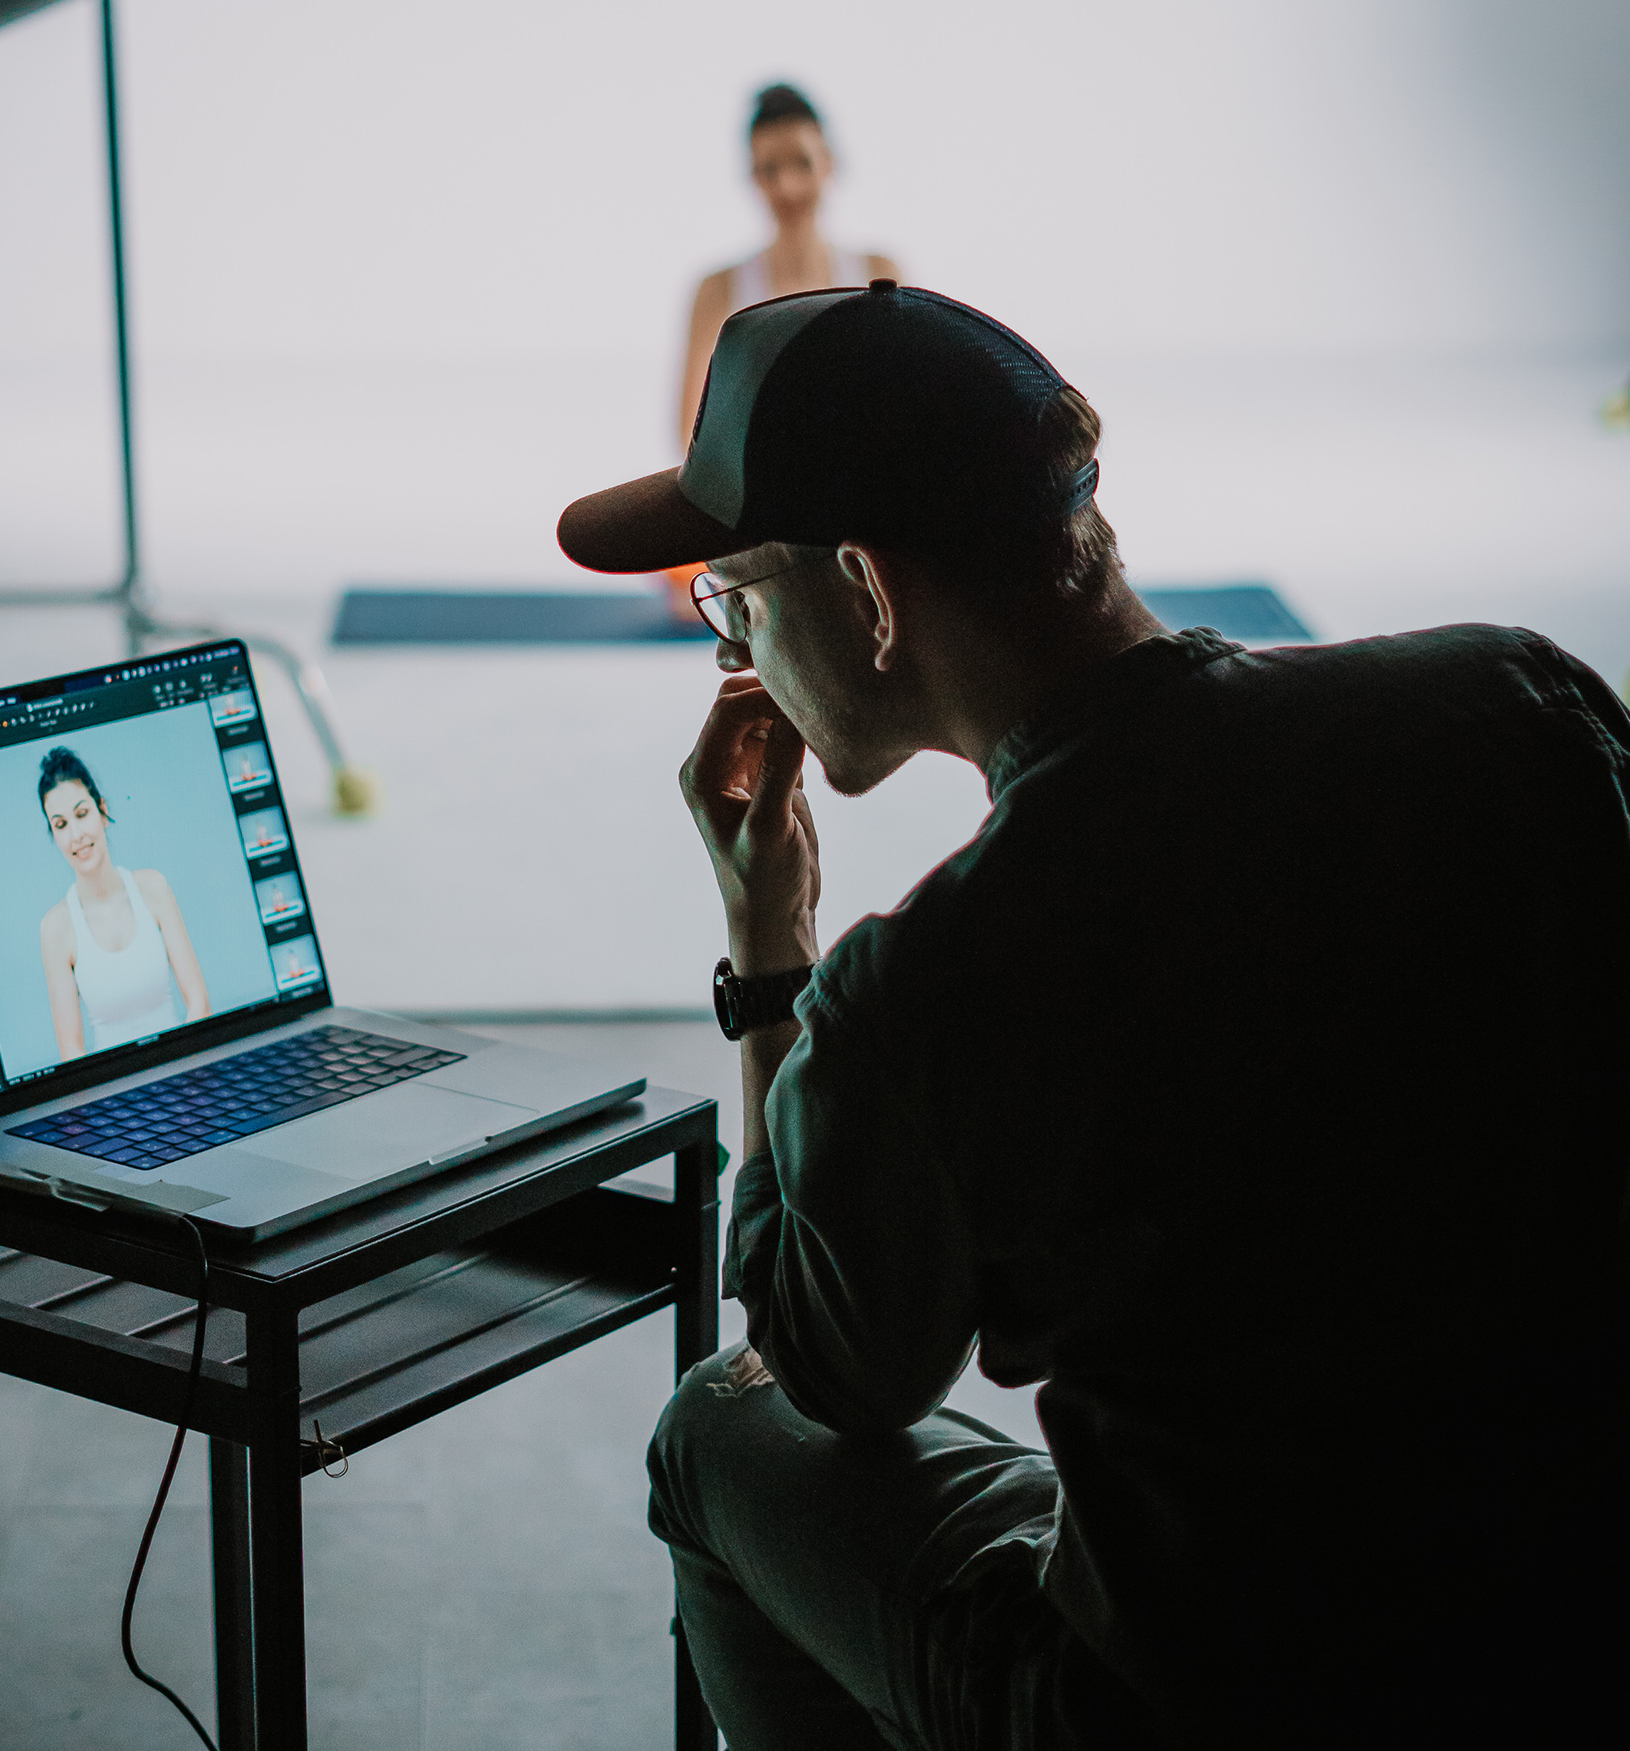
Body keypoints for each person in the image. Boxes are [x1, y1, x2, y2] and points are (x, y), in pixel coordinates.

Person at [556, 280, 1630, 1748]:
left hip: (1193, 1697)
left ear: (866, 593)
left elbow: (832, 1372)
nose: (734, 653)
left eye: (731, 599)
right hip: (1566, 1631)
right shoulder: (1513, 705)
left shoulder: (928, 985)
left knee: (721, 1431)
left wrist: (771, 948)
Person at [660, 85, 901, 613]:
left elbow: (907, 412)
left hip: (863, 521)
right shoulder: (719, 289)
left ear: (830, 164)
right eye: (769, 170)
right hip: (762, 528)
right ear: (752, 179)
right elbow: (691, 435)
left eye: (800, 163)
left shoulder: (879, 272)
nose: (787, 184)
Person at [36, 745, 211, 1059]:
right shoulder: (56, 928)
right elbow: (71, 1051)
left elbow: (199, 1001)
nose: (76, 834)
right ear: (54, 834)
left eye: (82, 814)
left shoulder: (153, 888)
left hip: (183, 1072)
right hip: (110, 1095)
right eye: (61, 825)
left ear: (102, 811)